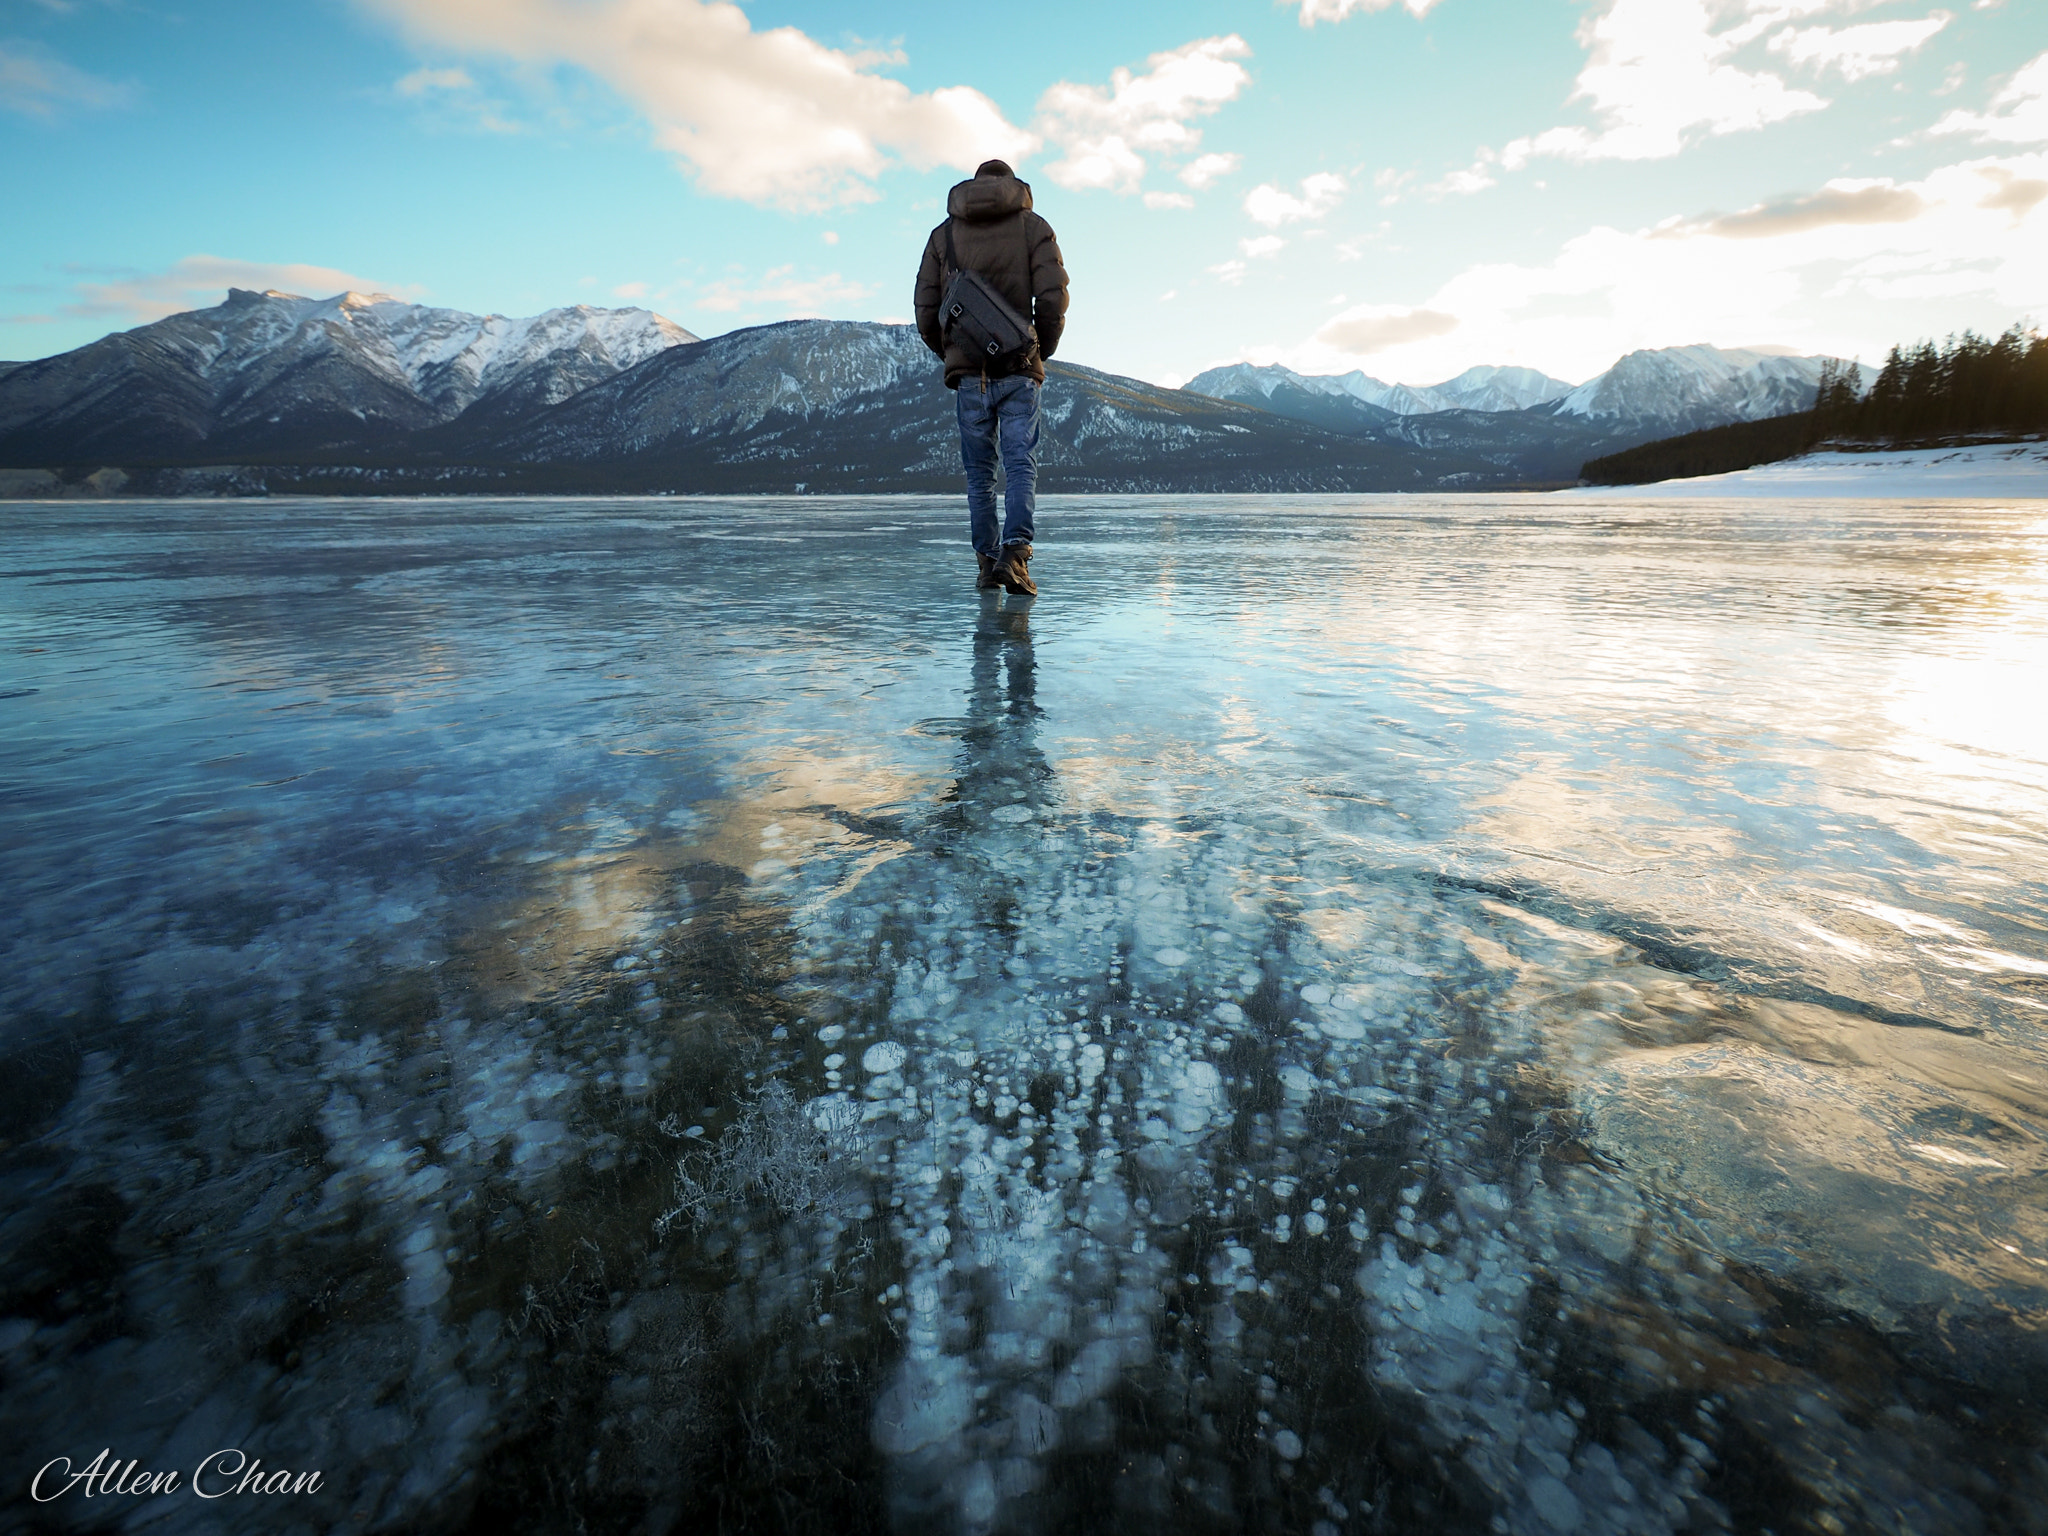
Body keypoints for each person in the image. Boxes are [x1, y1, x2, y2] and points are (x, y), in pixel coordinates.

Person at [914, 159, 1069, 598]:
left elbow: (926, 308)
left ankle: (987, 563)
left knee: (979, 475)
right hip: (1020, 368)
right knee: (1021, 463)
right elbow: (1053, 296)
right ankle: (1015, 555)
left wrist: (953, 355)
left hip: (969, 377)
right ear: (1012, 185)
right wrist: (1043, 347)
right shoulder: (1033, 226)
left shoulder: (943, 235)